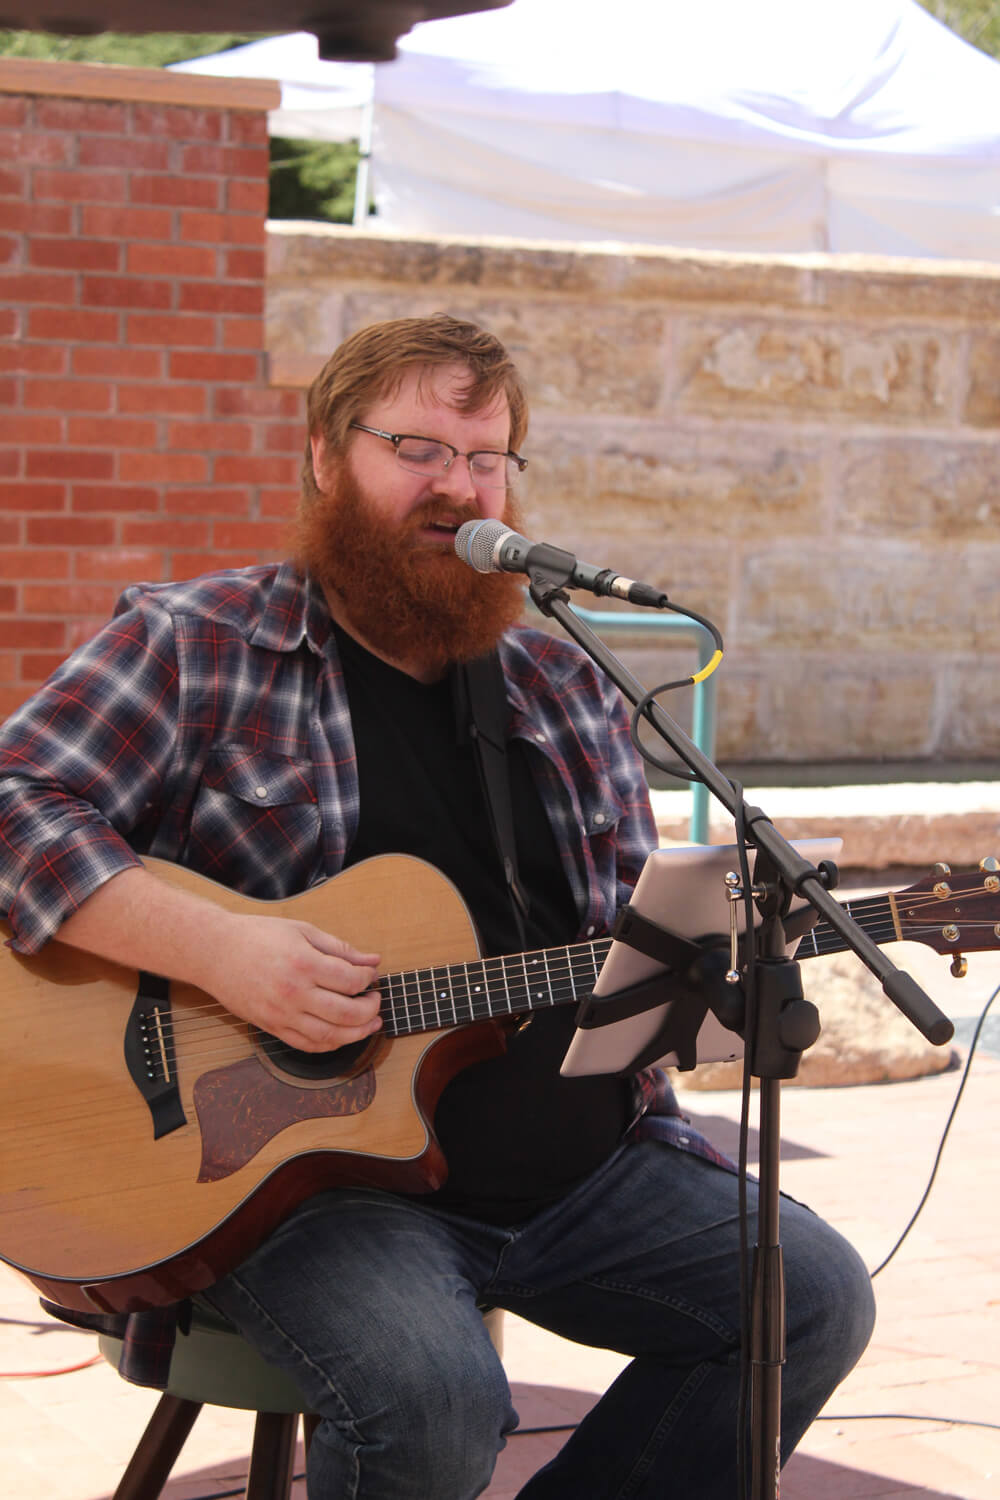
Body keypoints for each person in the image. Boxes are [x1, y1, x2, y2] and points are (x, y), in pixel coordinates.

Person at [0, 314, 874, 1498]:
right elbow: (17, 804)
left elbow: (627, 939)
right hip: (297, 1191)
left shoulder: (564, 684)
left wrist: (701, 987)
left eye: (485, 458)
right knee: (436, 1401)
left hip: (578, 1166)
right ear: (324, 455)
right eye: (416, 449)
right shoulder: (199, 645)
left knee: (810, 1299)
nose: (457, 489)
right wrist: (217, 949)